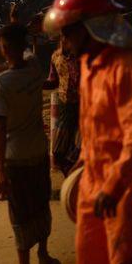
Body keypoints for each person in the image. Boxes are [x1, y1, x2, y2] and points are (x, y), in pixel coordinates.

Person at [43, 0, 132, 264]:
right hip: (94, 176)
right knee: (91, 252)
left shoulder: (128, 67)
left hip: (127, 182)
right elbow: (96, 126)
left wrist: (114, 185)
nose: (63, 39)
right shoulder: (90, 66)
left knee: (123, 256)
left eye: (69, 31)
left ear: (91, 27)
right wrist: (83, 160)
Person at [0, 24, 59, 264]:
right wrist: (14, 21)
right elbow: (27, 52)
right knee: (40, 205)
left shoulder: (0, 83)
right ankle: (44, 254)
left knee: (19, 214)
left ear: (4, 48)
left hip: (15, 159)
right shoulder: (35, 67)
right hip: (39, 151)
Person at [43, 37, 81, 176]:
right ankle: (70, 180)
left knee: (79, 149)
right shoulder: (55, 57)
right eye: (64, 37)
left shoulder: (81, 55)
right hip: (66, 105)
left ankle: (77, 183)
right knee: (58, 152)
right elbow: (53, 81)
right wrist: (37, 83)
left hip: (83, 105)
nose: (66, 40)